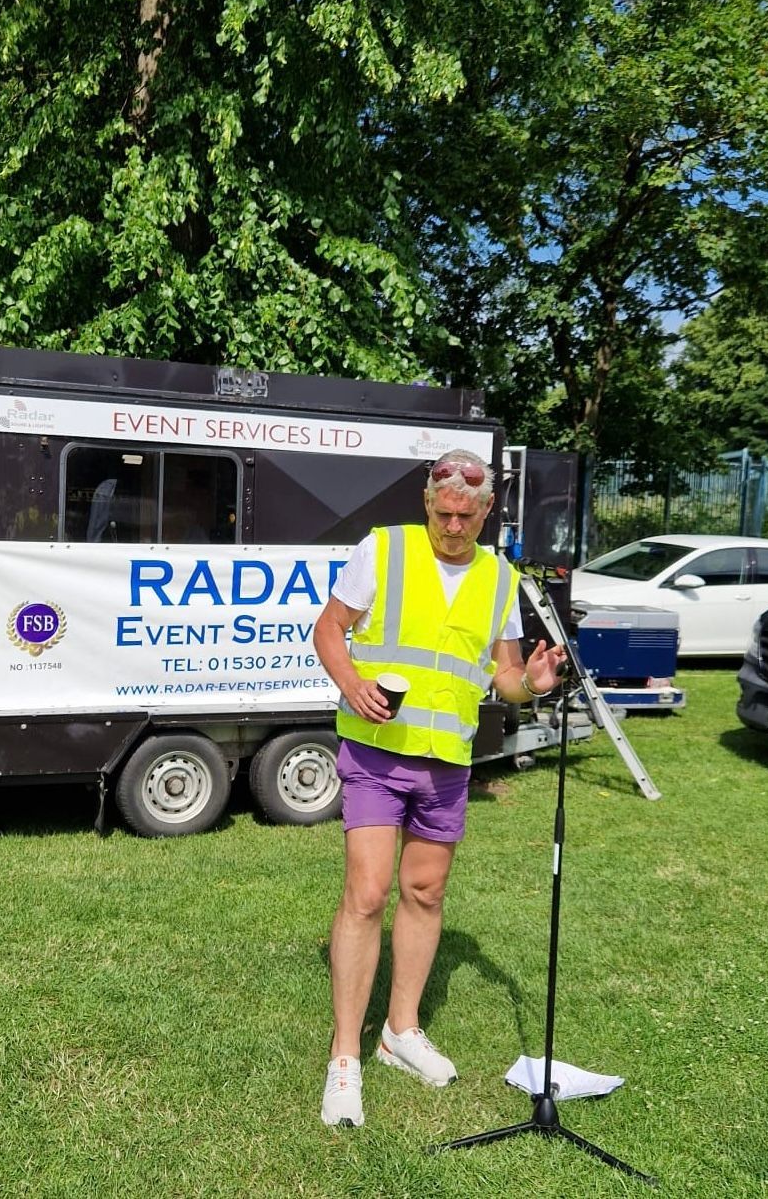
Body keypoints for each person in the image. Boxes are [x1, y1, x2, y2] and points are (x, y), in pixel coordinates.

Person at [313, 449, 565, 1128]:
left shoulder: (498, 577)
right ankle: (345, 1058)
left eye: (465, 516)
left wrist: (531, 687)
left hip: (446, 761)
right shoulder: (383, 551)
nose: (452, 527)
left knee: (423, 893)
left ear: (487, 513)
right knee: (366, 895)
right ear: (427, 505)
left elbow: (503, 675)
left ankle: (399, 1031)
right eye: (441, 513)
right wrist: (351, 684)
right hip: (375, 752)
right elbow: (328, 628)